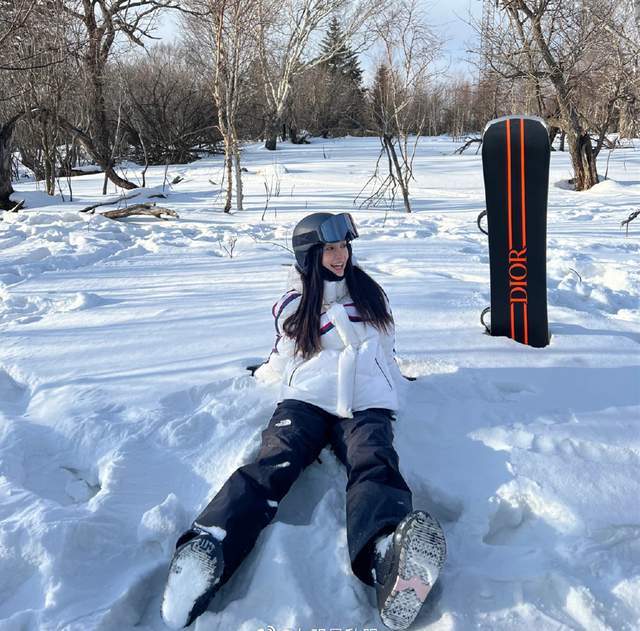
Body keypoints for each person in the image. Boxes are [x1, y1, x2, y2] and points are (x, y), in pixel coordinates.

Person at [160, 212, 447, 631]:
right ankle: (210, 549)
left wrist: (396, 383)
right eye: (330, 248)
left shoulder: (370, 292)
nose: (340, 256)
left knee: (374, 462)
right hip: (306, 402)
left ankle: (384, 555)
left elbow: (386, 348)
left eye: (344, 247)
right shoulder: (294, 301)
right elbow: (289, 347)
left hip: (366, 404)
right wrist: (264, 374)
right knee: (273, 462)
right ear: (309, 255)